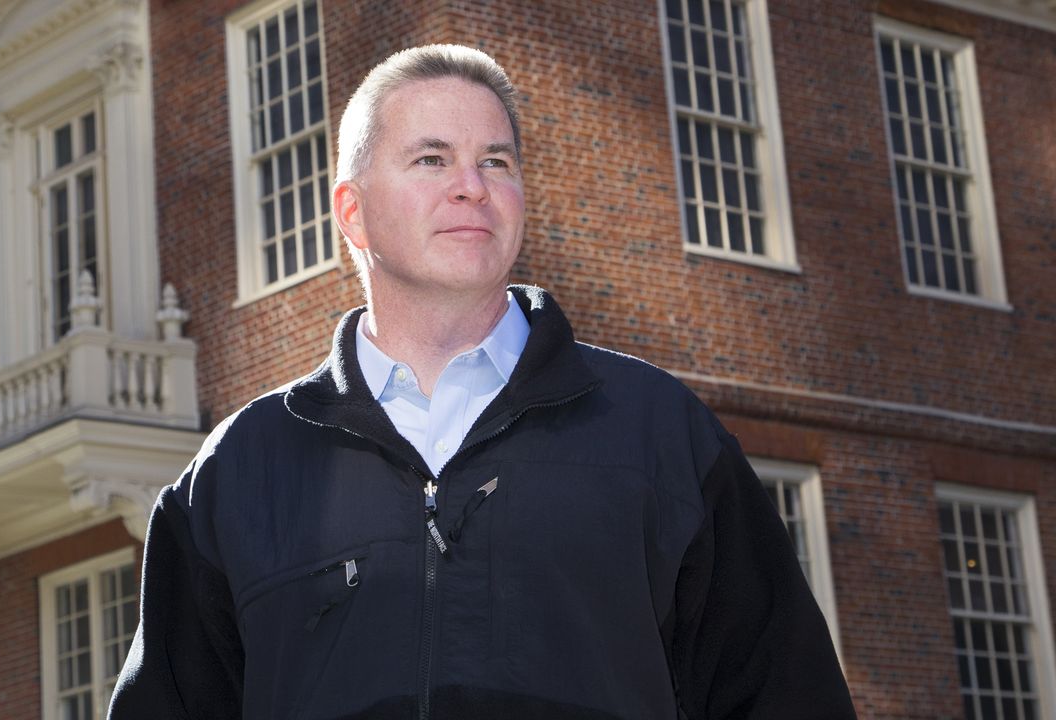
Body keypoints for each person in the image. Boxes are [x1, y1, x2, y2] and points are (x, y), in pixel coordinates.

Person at [109, 44, 856, 719]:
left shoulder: (658, 435)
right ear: (353, 211)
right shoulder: (239, 473)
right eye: (432, 159)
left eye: (495, 161)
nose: (471, 185)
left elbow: (788, 695)